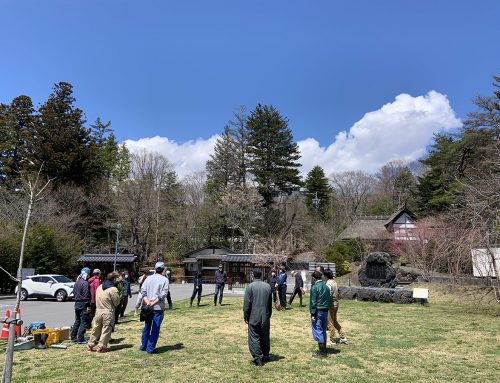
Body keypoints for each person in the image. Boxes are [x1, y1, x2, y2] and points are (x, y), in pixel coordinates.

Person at [243, 268, 272, 366]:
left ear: (253, 276)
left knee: (254, 336)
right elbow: (269, 303)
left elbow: (247, 304)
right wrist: (269, 315)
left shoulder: (250, 286)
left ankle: (258, 357)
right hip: (265, 315)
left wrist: (246, 316)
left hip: (254, 316)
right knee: (265, 335)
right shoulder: (267, 286)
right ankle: (266, 354)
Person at [86, 272, 121, 353]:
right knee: (106, 330)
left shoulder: (99, 287)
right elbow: (117, 302)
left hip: (98, 311)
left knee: (96, 329)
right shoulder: (113, 289)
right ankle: (101, 347)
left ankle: (90, 345)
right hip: (107, 312)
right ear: (114, 279)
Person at [139, 261, 169, 354]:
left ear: (155, 269)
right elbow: (164, 294)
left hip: (147, 307)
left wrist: (148, 301)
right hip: (158, 307)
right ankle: (150, 348)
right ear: (163, 269)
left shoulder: (148, 278)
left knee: (147, 327)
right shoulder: (165, 280)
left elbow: (142, 291)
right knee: (155, 329)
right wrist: (154, 302)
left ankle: (143, 346)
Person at [309, 270, 330, 358]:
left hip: (318, 311)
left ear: (314, 278)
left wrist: (312, 314)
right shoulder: (326, 287)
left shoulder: (314, 287)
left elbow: (313, 302)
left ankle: (322, 353)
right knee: (323, 330)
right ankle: (324, 349)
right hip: (325, 311)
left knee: (318, 330)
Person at [324, 269, 347, 345]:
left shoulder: (328, 284)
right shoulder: (334, 282)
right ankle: (343, 337)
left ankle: (332, 339)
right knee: (334, 321)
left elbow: (328, 295)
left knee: (330, 322)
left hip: (331, 304)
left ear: (326, 276)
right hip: (336, 303)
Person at [71, 267, 91, 344]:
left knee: (77, 320)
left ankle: (73, 337)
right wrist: (88, 305)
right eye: (89, 273)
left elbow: (73, 292)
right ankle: (80, 339)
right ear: (87, 274)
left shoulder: (77, 282)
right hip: (83, 303)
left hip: (76, 303)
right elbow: (86, 295)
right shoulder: (85, 283)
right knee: (84, 321)